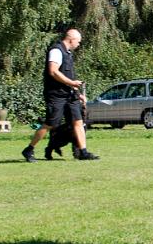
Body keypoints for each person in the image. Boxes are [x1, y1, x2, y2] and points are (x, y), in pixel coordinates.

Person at [21, 29, 99, 162]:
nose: (79, 44)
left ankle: (83, 152)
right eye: (78, 42)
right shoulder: (56, 51)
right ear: (71, 40)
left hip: (70, 95)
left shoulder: (68, 54)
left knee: (78, 122)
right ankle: (29, 149)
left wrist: (77, 93)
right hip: (56, 95)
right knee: (51, 123)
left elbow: (68, 76)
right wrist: (72, 82)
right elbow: (53, 71)